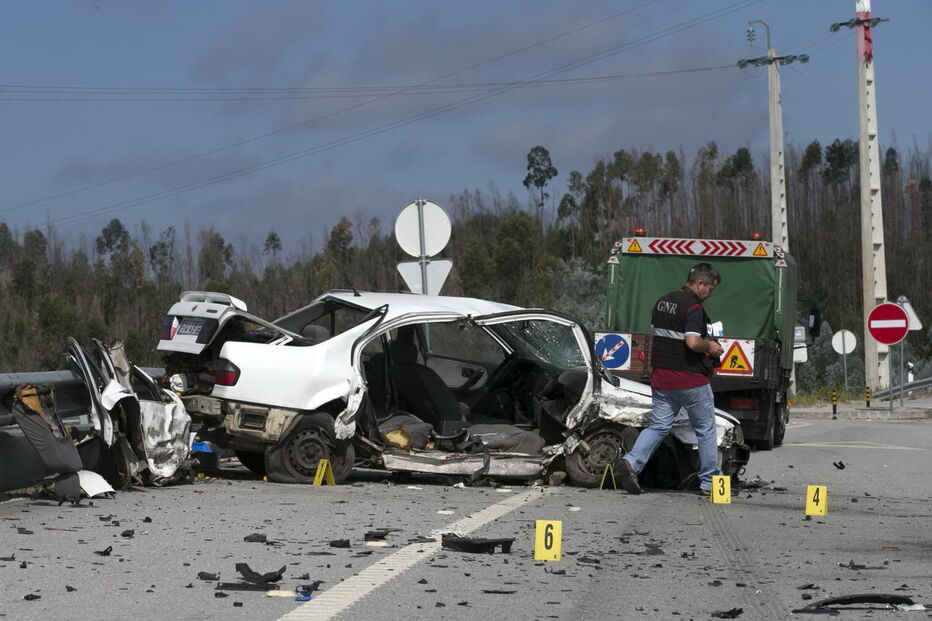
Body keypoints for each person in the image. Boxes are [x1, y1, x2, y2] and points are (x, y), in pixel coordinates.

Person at [617, 262, 725, 495]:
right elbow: (692, 342)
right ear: (700, 283)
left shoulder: (661, 302)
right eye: (710, 289)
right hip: (690, 378)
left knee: (659, 426)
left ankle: (631, 461)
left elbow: (655, 337)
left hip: (661, 377)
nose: (710, 294)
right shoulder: (693, 307)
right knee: (706, 429)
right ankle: (710, 482)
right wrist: (711, 347)